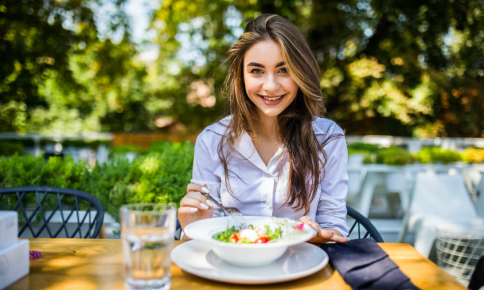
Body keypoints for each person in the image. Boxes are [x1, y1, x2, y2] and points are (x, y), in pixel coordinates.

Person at [178, 13, 349, 244]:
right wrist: (194, 227)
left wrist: (321, 235)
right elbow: (208, 234)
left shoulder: (328, 138)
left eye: (284, 69)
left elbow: (334, 227)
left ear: (301, 73)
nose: (270, 86)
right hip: (232, 269)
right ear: (241, 75)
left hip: (300, 267)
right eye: (257, 71)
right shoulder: (211, 140)